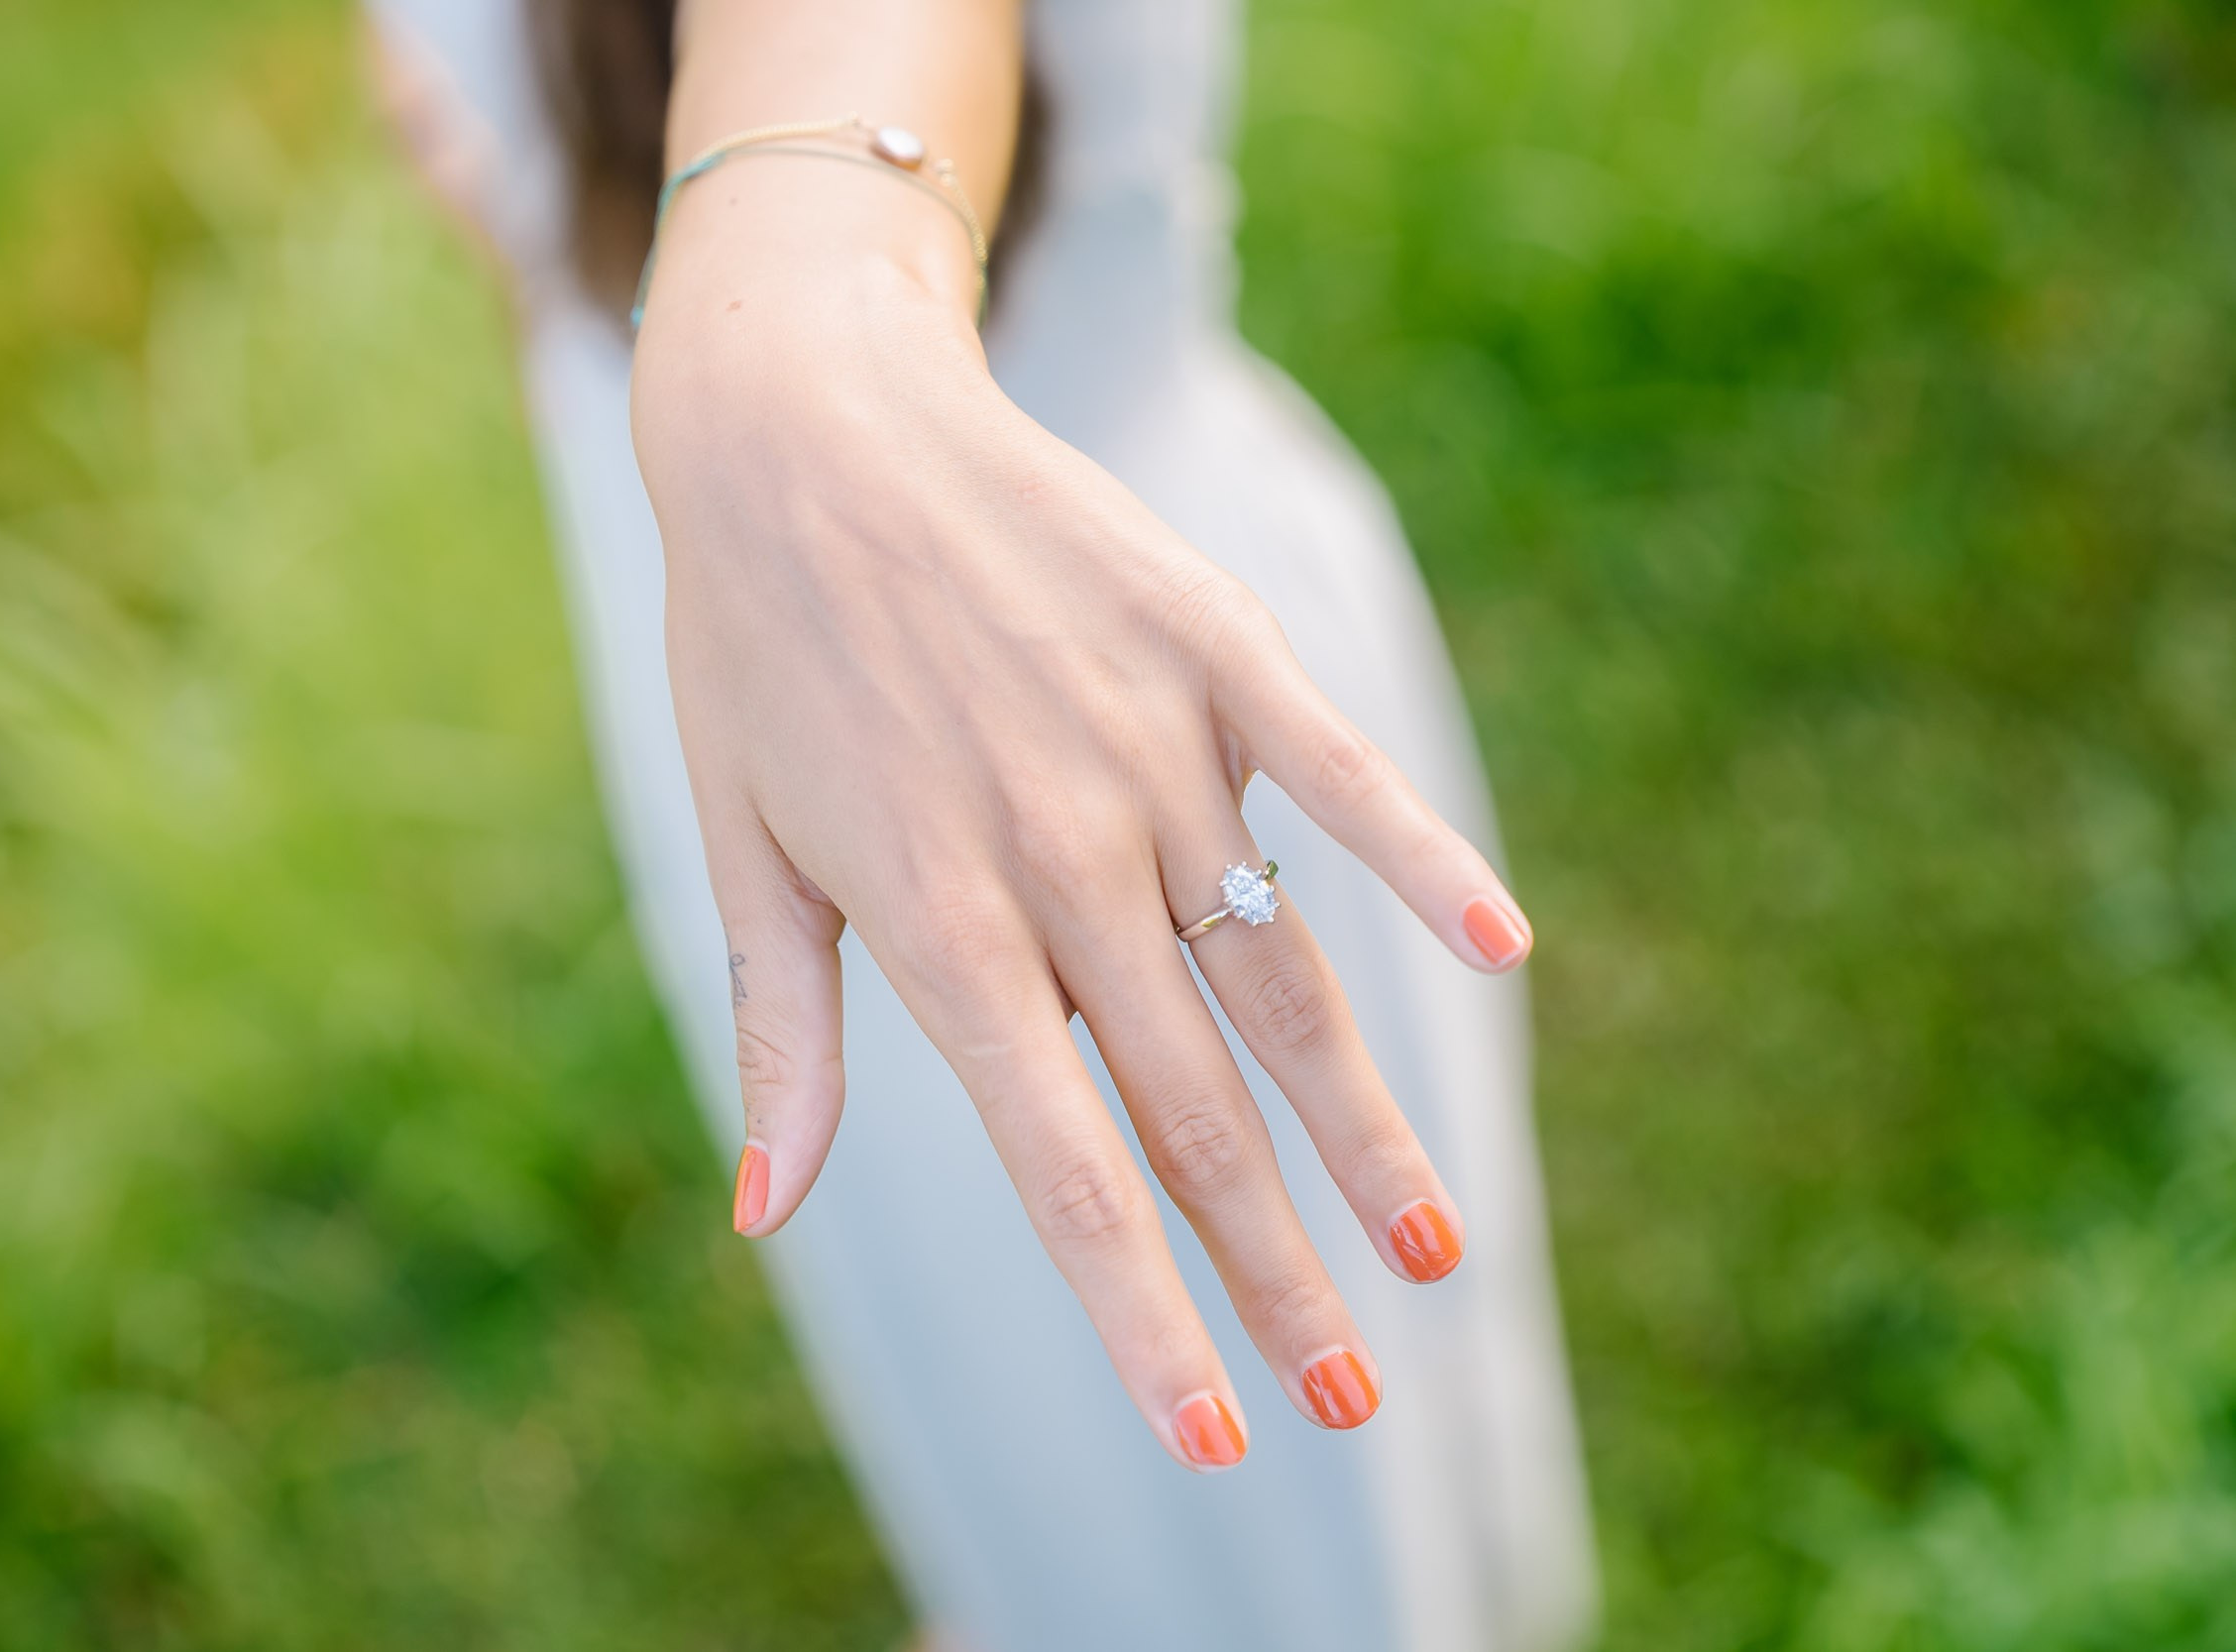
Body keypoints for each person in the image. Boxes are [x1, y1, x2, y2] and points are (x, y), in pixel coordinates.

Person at [366, 2, 1597, 1646]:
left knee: (1331, 1487)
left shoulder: (783, 407)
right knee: (1041, 1460)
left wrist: (784, 338)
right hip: (761, 796)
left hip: (1110, 727)